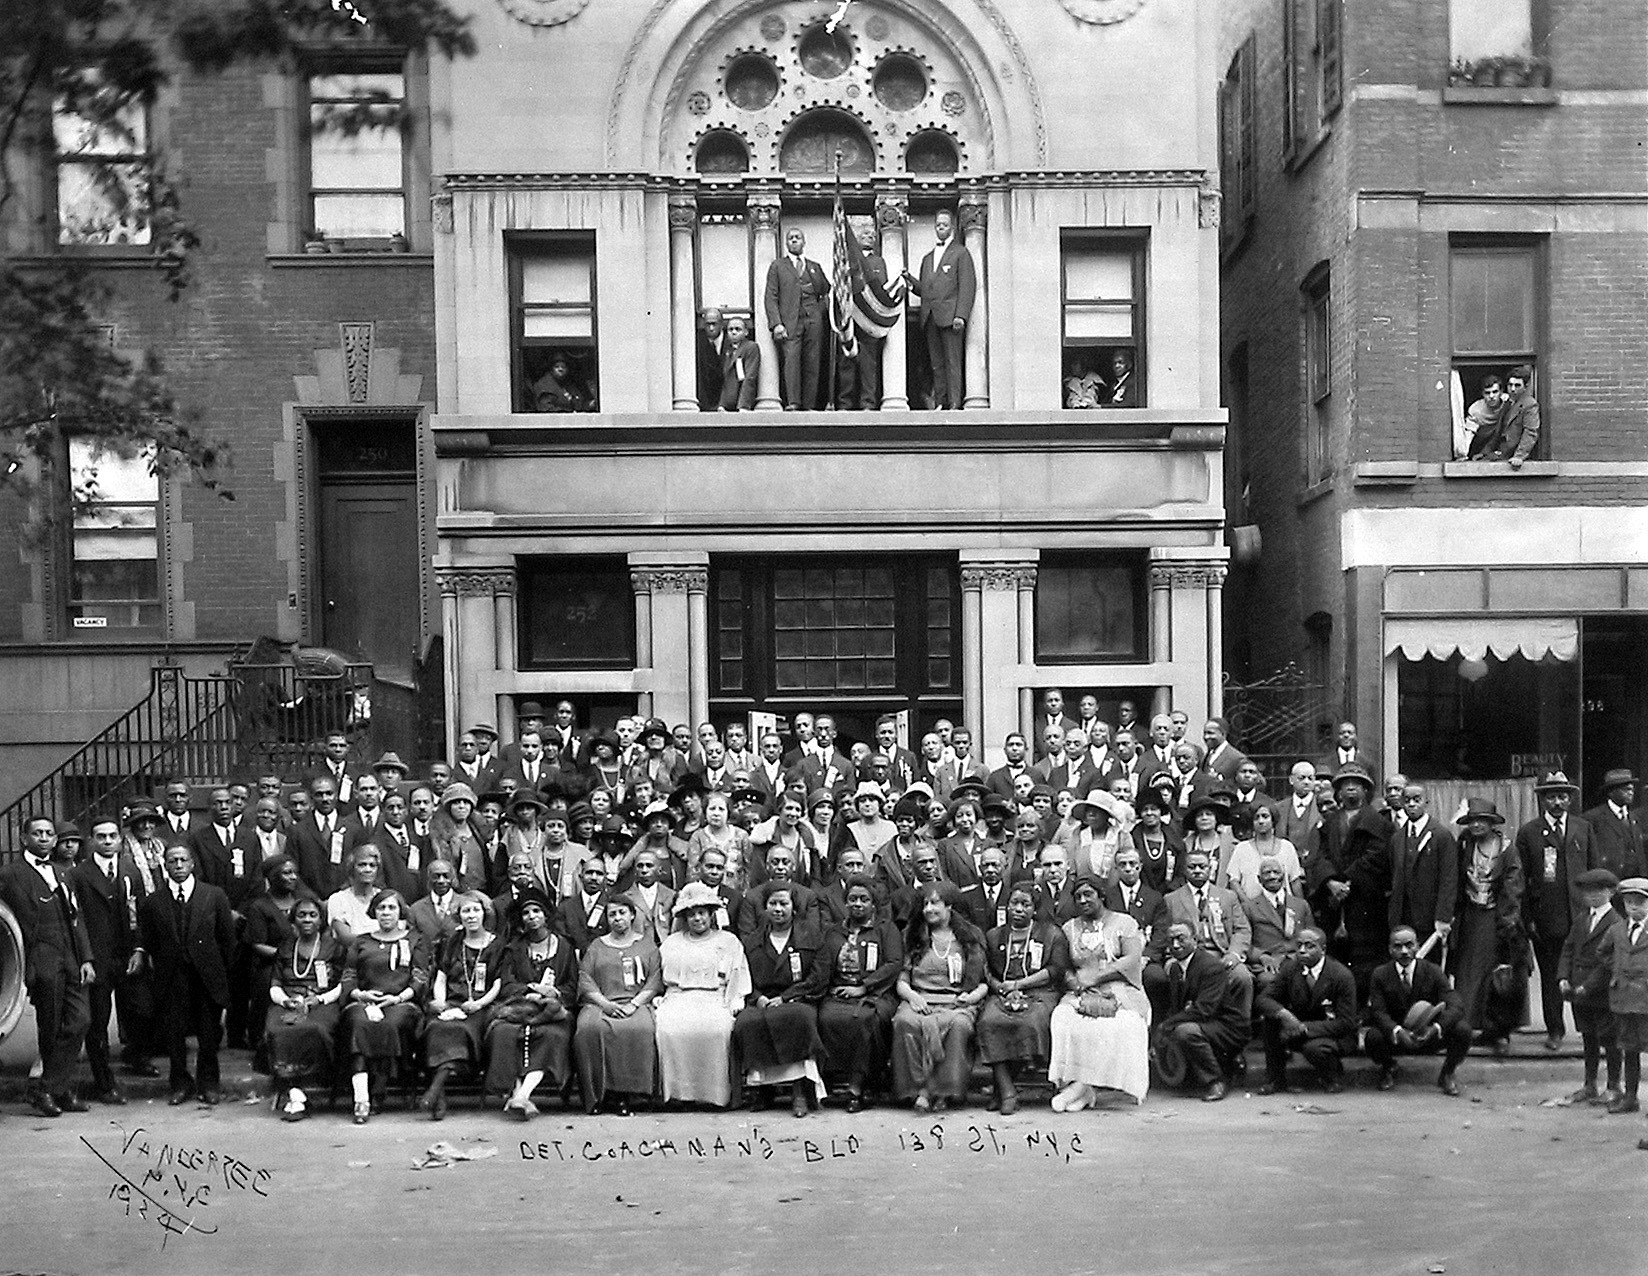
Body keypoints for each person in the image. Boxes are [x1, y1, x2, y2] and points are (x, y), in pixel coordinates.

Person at [1, 816, 96, 1116]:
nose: (43, 838)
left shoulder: (63, 873)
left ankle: (46, 1089)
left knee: (81, 1019)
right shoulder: (9, 874)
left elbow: (77, 918)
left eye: (48, 834)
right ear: (24, 839)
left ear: (55, 840)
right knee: (51, 1026)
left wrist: (86, 958)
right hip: (40, 958)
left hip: (71, 956)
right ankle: (62, 1091)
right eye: (37, 833)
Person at [137, 843, 235, 1107]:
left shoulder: (213, 895)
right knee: (174, 1033)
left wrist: (220, 974)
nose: (178, 866)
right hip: (171, 977)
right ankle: (180, 1083)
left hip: (207, 976)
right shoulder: (153, 902)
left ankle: (209, 1083)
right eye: (172, 861)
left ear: (192, 864)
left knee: (208, 1032)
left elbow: (227, 940)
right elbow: (151, 942)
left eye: (183, 860)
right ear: (165, 866)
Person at [1048, 875, 1151, 1110]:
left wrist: (1097, 977)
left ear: (1101, 895)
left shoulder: (1125, 923)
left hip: (1120, 987)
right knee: (1063, 1017)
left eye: (1088, 894)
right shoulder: (1069, 928)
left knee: (1123, 1023)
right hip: (1082, 989)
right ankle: (1077, 1086)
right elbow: (1063, 965)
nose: (1083, 900)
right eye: (1078, 897)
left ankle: (1084, 1087)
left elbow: (1132, 959)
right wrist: (1073, 982)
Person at [1515, 770, 1598, 1050]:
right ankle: (1555, 1030)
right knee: (1551, 975)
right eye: (1552, 797)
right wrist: (1528, 919)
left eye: (1562, 796)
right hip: (1545, 917)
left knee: (1581, 972)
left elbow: (1594, 872)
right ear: (1543, 800)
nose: (1557, 802)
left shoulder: (1582, 828)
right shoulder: (1529, 832)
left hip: (1579, 915)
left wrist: (1594, 911)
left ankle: (1586, 1029)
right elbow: (1521, 880)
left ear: (1570, 799)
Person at [655, 882, 753, 1108]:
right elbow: (662, 978)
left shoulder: (728, 942)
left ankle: (715, 1096)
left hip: (714, 997)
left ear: (711, 915)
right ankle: (678, 1095)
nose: (697, 919)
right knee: (667, 1029)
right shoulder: (672, 943)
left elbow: (738, 976)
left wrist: (735, 1000)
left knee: (717, 1030)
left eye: (702, 913)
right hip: (679, 997)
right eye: (691, 915)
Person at [733, 882, 826, 1118]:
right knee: (747, 1022)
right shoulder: (752, 941)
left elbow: (818, 976)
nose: (778, 909)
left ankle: (799, 1091)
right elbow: (743, 976)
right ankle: (762, 1089)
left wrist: (786, 997)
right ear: (764, 908)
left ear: (794, 907)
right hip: (762, 999)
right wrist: (759, 998)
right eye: (772, 904)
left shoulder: (811, 936)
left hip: (798, 998)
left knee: (798, 1018)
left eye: (783, 903)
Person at [892, 884, 987, 1112]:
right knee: (905, 1022)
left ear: (949, 906)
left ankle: (945, 1091)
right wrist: (913, 997)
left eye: (935, 903)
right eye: (925, 904)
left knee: (959, 1025)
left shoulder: (970, 937)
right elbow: (902, 980)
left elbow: (983, 982)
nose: (928, 909)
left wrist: (971, 997)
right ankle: (920, 1090)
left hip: (956, 1001)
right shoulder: (912, 935)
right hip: (920, 999)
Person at [69, 816, 144, 1106]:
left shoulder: (129, 870)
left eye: (113, 836)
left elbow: (137, 913)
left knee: (142, 1010)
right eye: (101, 837)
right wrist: (86, 958)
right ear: (92, 841)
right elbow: (78, 922)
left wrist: (138, 949)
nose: (108, 841)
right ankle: (104, 1084)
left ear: (120, 839)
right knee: (98, 1023)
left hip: (125, 956)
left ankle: (137, 1057)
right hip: (97, 958)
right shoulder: (79, 875)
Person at [977, 881, 1068, 1114]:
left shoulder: (1051, 934)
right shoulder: (994, 935)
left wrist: (1020, 984)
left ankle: (1001, 1090)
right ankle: (1008, 1091)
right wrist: (1001, 988)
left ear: (1034, 909)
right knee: (989, 1022)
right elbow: (986, 970)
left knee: (1030, 1022)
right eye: (1014, 903)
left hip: (1039, 992)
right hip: (1002, 992)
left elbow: (1055, 970)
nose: (1018, 909)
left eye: (1025, 904)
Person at [816, 874, 903, 1111]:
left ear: (873, 904)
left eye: (864, 899)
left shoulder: (886, 929)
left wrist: (864, 987)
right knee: (825, 1018)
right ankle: (835, 1083)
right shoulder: (834, 932)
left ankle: (858, 1085)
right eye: (852, 899)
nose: (857, 904)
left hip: (874, 994)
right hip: (839, 992)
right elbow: (824, 963)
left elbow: (894, 963)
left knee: (867, 1020)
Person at [340, 889, 428, 1123]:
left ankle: (378, 1089)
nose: (386, 913)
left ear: (400, 911)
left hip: (400, 1002)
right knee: (359, 1023)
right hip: (364, 1000)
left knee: (391, 1024)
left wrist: (398, 998)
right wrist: (359, 994)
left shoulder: (413, 939)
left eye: (391, 908)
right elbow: (348, 975)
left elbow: (420, 977)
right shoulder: (361, 941)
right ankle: (361, 1098)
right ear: (374, 912)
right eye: (381, 908)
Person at [490, 894, 578, 1120]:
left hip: (552, 1012)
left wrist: (554, 993)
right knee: (503, 1033)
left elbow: (571, 985)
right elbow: (507, 983)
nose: (531, 917)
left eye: (536, 912)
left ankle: (523, 1094)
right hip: (521, 1007)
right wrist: (530, 990)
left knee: (552, 1036)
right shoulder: (514, 948)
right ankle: (520, 1097)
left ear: (546, 915)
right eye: (526, 913)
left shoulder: (564, 947)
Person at [573, 895, 662, 1115]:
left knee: (640, 1028)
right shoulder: (597, 945)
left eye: (622, 913)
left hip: (637, 1002)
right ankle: (598, 1097)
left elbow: (655, 978)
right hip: (600, 1003)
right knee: (588, 1029)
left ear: (632, 915)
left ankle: (629, 1095)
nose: (617, 918)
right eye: (612, 914)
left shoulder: (646, 944)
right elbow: (585, 977)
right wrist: (604, 1003)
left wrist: (635, 1003)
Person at [420, 893, 506, 1120]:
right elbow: (441, 976)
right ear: (459, 915)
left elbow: (497, 982)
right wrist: (440, 1003)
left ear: (484, 913)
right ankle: (438, 1093)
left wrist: (478, 1003)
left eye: (475, 910)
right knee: (435, 1027)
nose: (471, 916)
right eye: (465, 911)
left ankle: (435, 1090)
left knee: (463, 1030)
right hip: (452, 1002)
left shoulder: (496, 944)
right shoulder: (453, 942)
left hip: (479, 1005)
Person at [1450, 798, 1526, 1055]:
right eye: (1472, 820)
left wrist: (1508, 921)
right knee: (1469, 971)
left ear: (1493, 824)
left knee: (1498, 975)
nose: (1477, 825)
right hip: (1470, 917)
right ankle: (1469, 1027)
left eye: (1482, 820)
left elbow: (1513, 886)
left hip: (1498, 918)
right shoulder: (1464, 844)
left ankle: (1498, 1031)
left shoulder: (1507, 849)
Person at [1365, 926, 1473, 1097]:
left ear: (1417, 945)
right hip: (1398, 1038)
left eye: (1409, 945)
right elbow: (1378, 1011)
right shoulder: (1380, 974)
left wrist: (1435, 1028)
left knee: (1463, 1030)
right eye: (1398, 947)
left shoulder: (1433, 971)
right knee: (1373, 1037)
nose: (1404, 951)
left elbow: (1456, 1004)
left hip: (1428, 1036)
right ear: (1390, 949)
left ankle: (1448, 1072)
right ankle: (1388, 1067)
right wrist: (1397, 1031)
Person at [264, 896, 345, 1121]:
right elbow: (275, 984)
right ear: (294, 920)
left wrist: (319, 1000)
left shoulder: (334, 947)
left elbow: (342, 984)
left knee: (316, 1029)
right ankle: (294, 1090)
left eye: (313, 915)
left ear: (321, 920)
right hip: (289, 1001)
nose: (307, 919)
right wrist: (286, 1001)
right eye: (302, 915)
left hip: (322, 1002)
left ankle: (310, 1085)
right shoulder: (286, 947)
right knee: (278, 1030)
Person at [1152, 923, 1247, 1102]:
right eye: (1171, 940)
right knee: (1179, 1031)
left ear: (1195, 940)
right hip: (1204, 1023)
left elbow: (1205, 1009)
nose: (1176, 945)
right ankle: (1222, 1067)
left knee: (1185, 1031)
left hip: (1228, 1026)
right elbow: (1177, 1007)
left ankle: (1216, 1082)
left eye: (1181, 939)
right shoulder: (1174, 968)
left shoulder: (1211, 966)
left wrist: (1167, 1026)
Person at [1255, 927, 1357, 1094]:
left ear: (1323, 950)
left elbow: (1346, 1022)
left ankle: (1332, 1076)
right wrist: (1284, 1014)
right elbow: (1263, 999)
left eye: (1309, 946)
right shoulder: (1290, 968)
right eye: (1299, 945)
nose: (1302, 951)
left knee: (1315, 1049)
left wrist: (1304, 1028)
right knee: (1271, 1021)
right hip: (1297, 1029)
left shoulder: (1341, 975)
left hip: (1332, 1033)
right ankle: (1275, 1079)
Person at [1559, 868, 1625, 1106]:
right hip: (1578, 989)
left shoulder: (1615, 922)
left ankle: (1614, 1086)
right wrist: (1563, 977)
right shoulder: (1581, 919)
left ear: (1611, 892)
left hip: (1601, 991)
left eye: (1599, 890)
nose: (1593, 896)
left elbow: (1607, 963)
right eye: (1588, 891)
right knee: (1588, 1037)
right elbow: (1568, 949)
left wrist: (1588, 986)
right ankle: (1589, 1084)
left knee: (1610, 1039)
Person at [904, 209, 975, 410]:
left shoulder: (961, 252)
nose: (940, 227)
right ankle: (941, 402)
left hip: (950, 316)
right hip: (930, 317)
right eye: (937, 225)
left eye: (944, 224)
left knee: (953, 361)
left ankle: (954, 402)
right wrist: (910, 281)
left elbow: (967, 285)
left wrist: (961, 314)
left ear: (951, 226)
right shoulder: (927, 258)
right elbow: (926, 290)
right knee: (937, 364)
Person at [243, 854, 309, 1060]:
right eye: (286, 873)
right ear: (272, 877)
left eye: (294, 873)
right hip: (272, 964)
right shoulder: (260, 906)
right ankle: (262, 1039)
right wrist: (285, 957)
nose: (293, 877)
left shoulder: (304, 902)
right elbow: (257, 944)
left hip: (307, 961)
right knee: (267, 982)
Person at [764, 226, 829, 410]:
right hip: (790, 321)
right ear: (786, 243)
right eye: (791, 238)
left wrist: (818, 312)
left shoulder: (814, 267)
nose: (794, 240)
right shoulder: (778, 266)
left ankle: (809, 404)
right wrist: (776, 323)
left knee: (812, 362)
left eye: (797, 237)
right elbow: (771, 296)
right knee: (791, 361)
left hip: (813, 321)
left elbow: (825, 291)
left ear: (803, 242)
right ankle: (793, 402)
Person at [1387, 783, 1458, 948]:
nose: (1411, 804)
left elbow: (1449, 878)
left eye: (1417, 800)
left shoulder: (1441, 835)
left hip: (1430, 917)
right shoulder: (1397, 838)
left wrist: (1443, 917)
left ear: (1426, 802)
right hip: (1403, 917)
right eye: (1407, 800)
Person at [1601, 877, 1648, 1114]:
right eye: (1629, 903)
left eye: (1640, 903)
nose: (1634, 908)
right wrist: (1619, 969)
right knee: (1629, 1048)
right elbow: (1603, 953)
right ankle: (1630, 1097)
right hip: (1624, 1000)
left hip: (1646, 999)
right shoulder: (1617, 930)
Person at [837, 218, 889, 410]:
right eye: (865, 235)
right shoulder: (847, 259)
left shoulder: (878, 262)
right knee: (846, 361)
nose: (869, 237)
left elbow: (881, 288)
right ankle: (845, 402)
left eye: (872, 236)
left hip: (869, 319)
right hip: (850, 317)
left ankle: (868, 402)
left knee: (868, 363)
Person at [1223, 802, 1303, 898]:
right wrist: (1247, 904)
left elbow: (1294, 881)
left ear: (1273, 820)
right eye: (1256, 818)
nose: (1261, 821)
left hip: (1282, 907)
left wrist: (1299, 907)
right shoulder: (1242, 849)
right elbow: (1234, 881)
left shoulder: (1287, 847)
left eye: (1265, 816)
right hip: (1251, 906)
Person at [1581, 769, 1646, 887]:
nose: (1631, 793)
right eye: (1626, 790)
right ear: (1611, 792)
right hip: (1610, 883)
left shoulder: (1635, 817)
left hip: (1636, 883)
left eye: (1632, 789)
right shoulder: (1593, 818)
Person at [1468, 364, 1540, 467]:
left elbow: (1531, 432)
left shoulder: (1530, 404)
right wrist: (1484, 452)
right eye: (1510, 385)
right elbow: (1498, 432)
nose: (1513, 389)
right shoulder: (1507, 403)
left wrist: (1519, 456)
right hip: (1500, 453)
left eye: (1517, 385)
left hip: (1512, 457)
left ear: (1526, 386)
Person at [327, 845, 386, 945]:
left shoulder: (384, 898)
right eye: (362, 865)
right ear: (352, 868)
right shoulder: (338, 899)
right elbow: (345, 937)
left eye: (372, 865)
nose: (368, 869)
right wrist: (380, 941)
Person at [1456, 372, 1505, 459]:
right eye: (1487, 393)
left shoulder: (1508, 403)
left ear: (1501, 392)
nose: (1491, 396)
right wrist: (1463, 452)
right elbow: (1469, 433)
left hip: (1501, 443)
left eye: (1495, 392)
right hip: (1479, 444)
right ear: (1482, 394)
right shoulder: (1476, 410)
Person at [719, 314, 761, 411]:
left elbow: (750, 377)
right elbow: (726, 379)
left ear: (746, 332)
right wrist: (722, 404)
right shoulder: (727, 350)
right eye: (730, 329)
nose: (734, 332)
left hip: (743, 405)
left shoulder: (751, 347)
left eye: (738, 329)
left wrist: (744, 405)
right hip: (729, 404)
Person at [696, 305, 726, 411]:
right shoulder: (698, 343)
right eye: (708, 324)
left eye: (714, 324)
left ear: (721, 325)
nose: (711, 328)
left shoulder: (730, 340)